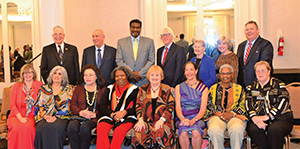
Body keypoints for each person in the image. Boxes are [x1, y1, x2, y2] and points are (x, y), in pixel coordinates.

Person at [245, 61, 293, 149]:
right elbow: (248, 105)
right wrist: (255, 119)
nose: (260, 73)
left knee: (274, 130)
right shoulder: (250, 88)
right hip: (258, 118)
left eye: (263, 70)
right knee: (253, 129)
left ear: (269, 72)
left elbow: (284, 103)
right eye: (258, 71)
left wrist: (268, 116)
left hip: (281, 119)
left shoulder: (279, 85)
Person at [132, 65, 175, 148]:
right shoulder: (143, 89)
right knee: (138, 129)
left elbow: (170, 106)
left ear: (161, 77)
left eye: (157, 75)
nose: (154, 77)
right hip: (146, 121)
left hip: (163, 121)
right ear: (148, 76)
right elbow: (138, 106)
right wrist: (140, 120)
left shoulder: (166, 89)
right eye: (152, 75)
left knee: (160, 131)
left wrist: (162, 120)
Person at [205, 64, 247, 149]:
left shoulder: (239, 88)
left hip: (235, 116)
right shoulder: (213, 88)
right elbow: (209, 105)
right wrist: (218, 114)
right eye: (223, 73)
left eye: (228, 73)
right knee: (214, 129)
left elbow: (243, 105)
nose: (225, 76)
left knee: (237, 129)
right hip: (217, 116)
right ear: (219, 75)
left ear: (232, 74)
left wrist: (231, 114)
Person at [97, 66, 139, 149]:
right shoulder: (109, 88)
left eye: (122, 75)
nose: (119, 78)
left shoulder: (135, 89)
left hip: (127, 117)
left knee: (119, 131)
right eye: (117, 76)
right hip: (110, 116)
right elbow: (101, 106)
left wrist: (124, 112)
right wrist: (112, 114)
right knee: (101, 127)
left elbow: (137, 107)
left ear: (127, 76)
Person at [34, 66, 74, 149]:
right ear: (51, 75)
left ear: (63, 77)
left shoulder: (69, 89)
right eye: (55, 73)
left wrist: (55, 117)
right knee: (41, 127)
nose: (57, 75)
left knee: (55, 127)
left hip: (62, 117)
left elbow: (68, 107)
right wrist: (45, 116)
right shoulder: (43, 88)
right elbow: (39, 105)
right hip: (45, 116)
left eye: (60, 74)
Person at [67, 64, 106, 149]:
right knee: (72, 127)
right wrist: (80, 112)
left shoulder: (102, 90)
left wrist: (95, 114)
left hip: (94, 118)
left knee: (85, 128)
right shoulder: (79, 88)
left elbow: (105, 107)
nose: (88, 77)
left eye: (91, 75)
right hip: (79, 116)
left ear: (96, 76)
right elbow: (73, 104)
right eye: (85, 75)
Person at [7, 64, 43, 149]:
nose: (28, 74)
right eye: (25, 73)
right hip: (16, 115)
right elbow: (12, 105)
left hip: (32, 115)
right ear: (22, 75)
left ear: (33, 73)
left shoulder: (39, 85)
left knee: (28, 128)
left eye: (30, 72)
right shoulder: (16, 86)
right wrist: (20, 118)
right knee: (15, 129)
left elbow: (43, 101)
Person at [175, 61, 208, 149]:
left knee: (195, 132)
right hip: (182, 118)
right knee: (183, 132)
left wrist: (193, 120)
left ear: (196, 71)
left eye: (191, 69)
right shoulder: (179, 87)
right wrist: (183, 119)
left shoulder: (204, 88)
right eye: (186, 70)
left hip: (197, 118)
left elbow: (202, 110)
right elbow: (178, 108)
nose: (189, 72)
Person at [116, 19, 155, 87]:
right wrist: (131, 73)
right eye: (133, 27)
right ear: (130, 28)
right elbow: (119, 60)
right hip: (127, 80)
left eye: (138, 27)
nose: (135, 29)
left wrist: (140, 73)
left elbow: (151, 60)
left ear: (140, 28)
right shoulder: (121, 42)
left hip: (144, 80)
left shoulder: (149, 42)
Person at [237, 20, 274, 88]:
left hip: (258, 85)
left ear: (257, 30)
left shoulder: (265, 44)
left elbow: (264, 66)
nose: (249, 31)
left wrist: (254, 84)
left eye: (252, 29)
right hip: (242, 86)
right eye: (247, 29)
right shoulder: (241, 46)